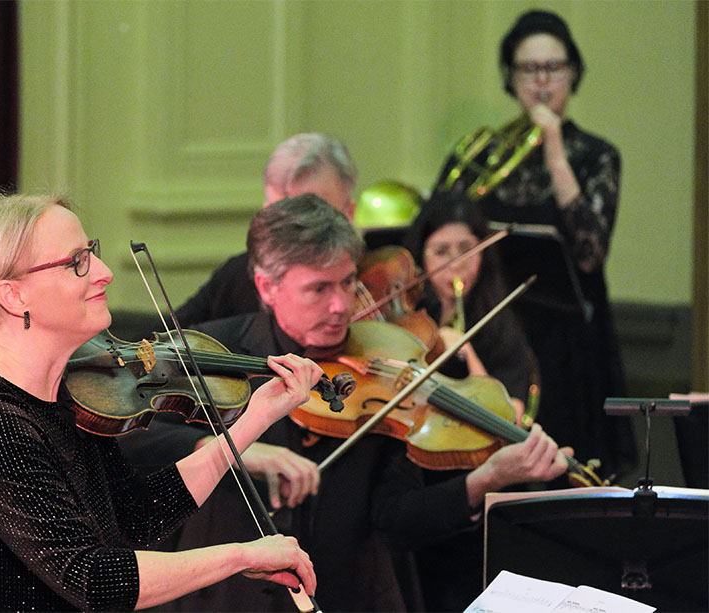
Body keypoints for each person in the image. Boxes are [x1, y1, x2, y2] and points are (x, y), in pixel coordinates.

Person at [119, 194, 572, 611]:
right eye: (319, 289)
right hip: (225, 603)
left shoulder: (380, 362)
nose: (341, 307)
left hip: (348, 598)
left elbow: (395, 517)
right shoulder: (213, 352)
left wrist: (484, 479)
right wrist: (233, 450)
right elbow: (129, 442)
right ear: (267, 286)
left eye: (348, 282)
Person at [0, 191, 320, 611]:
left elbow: (135, 516)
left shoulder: (67, 393)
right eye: (76, 262)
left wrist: (254, 417)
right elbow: (94, 579)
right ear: (13, 295)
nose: (104, 272)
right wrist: (243, 555)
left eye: (90, 252)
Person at [433, 9, 636, 480]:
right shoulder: (479, 150)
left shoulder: (596, 156)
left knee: (565, 469)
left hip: (567, 340)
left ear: (572, 73)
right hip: (493, 330)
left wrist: (554, 147)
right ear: (511, 77)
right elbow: (442, 223)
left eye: (553, 69)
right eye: (528, 70)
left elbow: (589, 250)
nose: (542, 83)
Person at [400, 192, 539, 611]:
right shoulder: (404, 318)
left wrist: (466, 351)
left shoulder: (498, 317)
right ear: (421, 256)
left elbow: (507, 416)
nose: (456, 263)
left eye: (466, 250)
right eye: (441, 251)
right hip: (421, 479)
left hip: (482, 480)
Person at [175, 133, 357, 327]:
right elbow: (163, 341)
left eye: (315, 213)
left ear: (349, 213)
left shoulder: (383, 274)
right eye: (281, 218)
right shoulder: (238, 275)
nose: (295, 234)